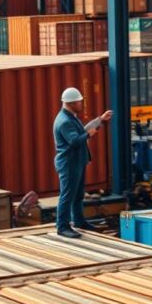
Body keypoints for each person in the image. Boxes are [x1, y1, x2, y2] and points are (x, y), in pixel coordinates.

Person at [53, 87, 112, 239]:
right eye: (79, 102)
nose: (82, 104)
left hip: (76, 162)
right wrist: (91, 134)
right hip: (69, 164)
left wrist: (100, 120)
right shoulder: (64, 121)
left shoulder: (70, 116)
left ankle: (79, 221)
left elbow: (82, 130)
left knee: (78, 195)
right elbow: (75, 140)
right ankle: (62, 226)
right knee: (67, 195)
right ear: (72, 103)